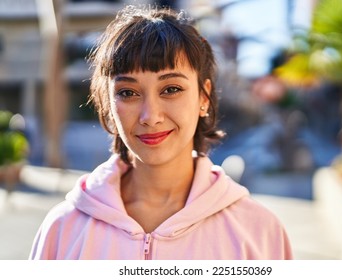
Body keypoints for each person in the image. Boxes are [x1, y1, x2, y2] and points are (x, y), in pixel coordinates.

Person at [29, 5, 292, 260]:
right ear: (108, 103)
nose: (150, 117)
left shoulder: (259, 233)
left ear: (203, 96)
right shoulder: (63, 230)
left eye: (171, 89)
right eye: (128, 93)